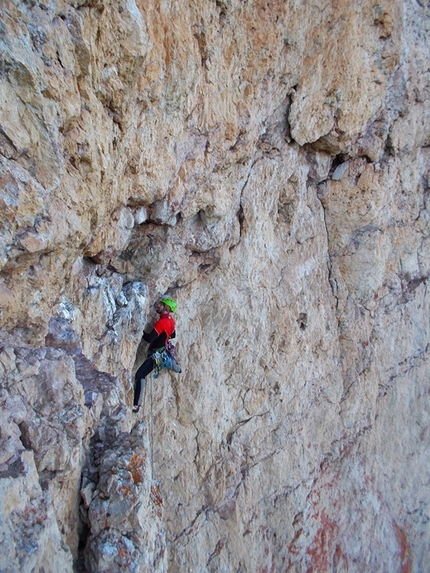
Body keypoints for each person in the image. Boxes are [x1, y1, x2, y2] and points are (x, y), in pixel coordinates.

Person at [132, 297, 181, 413]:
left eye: (161, 305)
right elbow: (172, 335)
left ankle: (136, 405)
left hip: (156, 355)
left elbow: (149, 338)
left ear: (167, 308)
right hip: (163, 351)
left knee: (140, 375)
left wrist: (139, 330)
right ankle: (178, 369)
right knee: (167, 360)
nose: (158, 306)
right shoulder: (170, 320)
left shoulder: (161, 322)